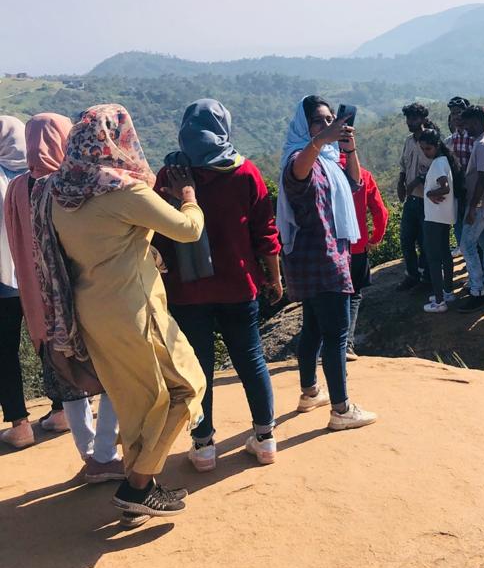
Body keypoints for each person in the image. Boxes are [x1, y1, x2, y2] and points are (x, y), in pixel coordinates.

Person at [41, 104, 206, 519]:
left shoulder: (60, 192)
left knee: (137, 400)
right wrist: (189, 198)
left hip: (93, 309)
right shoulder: (123, 190)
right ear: (119, 139)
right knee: (185, 388)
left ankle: (143, 487)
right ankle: (136, 488)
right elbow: (188, 231)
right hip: (133, 309)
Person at [153, 99, 282, 471]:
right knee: (251, 359)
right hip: (239, 288)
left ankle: (204, 444)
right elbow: (265, 233)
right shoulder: (246, 174)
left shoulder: (170, 176)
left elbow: (158, 236)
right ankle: (265, 436)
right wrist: (273, 277)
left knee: (199, 368)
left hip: (187, 292)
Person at [5, 112, 124, 480]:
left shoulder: (17, 188)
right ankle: (105, 452)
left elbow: (15, 247)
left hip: (40, 302)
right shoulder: (71, 184)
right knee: (111, 374)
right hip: (85, 296)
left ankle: (88, 452)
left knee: (68, 377)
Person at [278, 96, 377, 432]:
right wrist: (321, 140)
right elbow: (297, 174)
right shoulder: (299, 157)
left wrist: (348, 148)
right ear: (303, 127)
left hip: (319, 257)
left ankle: (310, 393)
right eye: (319, 120)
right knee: (335, 334)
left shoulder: (331, 159)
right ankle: (342, 409)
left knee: (314, 328)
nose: (329, 124)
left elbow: (354, 184)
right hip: (322, 258)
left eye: (332, 118)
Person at [0, 116, 36, 449]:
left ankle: (20, 423)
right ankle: (64, 409)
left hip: (3, 284)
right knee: (52, 344)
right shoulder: (40, 175)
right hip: (40, 278)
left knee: (5, 354)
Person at [457, 105, 484, 313]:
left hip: (481, 204)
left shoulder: (483, 144)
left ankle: (477, 291)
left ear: (476, 121)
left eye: (466, 124)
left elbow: (482, 177)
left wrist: (473, 207)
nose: (465, 128)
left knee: (467, 245)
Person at [342, 156, 388, 358]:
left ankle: (329, 344)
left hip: (331, 247)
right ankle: (346, 344)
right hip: (358, 246)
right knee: (353, 295)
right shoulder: (363, 176)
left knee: (333, 297)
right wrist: (375, 238)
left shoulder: (323, 173)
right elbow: (380, 212)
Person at [419, 128, 459, 313]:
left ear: (436, 146)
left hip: (434, 218)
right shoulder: (444, 161)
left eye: (428, 149)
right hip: (443, 217)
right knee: (444, 254)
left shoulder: (437, 163)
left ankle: (439, 301)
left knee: (433, 258)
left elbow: (444, 188)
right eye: (423, 149)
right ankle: (447, 292)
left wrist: (429, 193)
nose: (425, 152)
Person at [397, 103, 431, 290]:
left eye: (415, 118)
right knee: (406, 239)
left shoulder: (431, 141)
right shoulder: (409, 141)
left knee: (425, 242)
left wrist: (416, 180)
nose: (411, 122)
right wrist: (400, 182)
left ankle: (427, 278)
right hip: (411, 199)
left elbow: (437, 167)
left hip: (427, 200)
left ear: (424, 119)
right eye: (409, 118)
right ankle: (412, 274)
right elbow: (403, 165)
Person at [445, 97, 473, 249]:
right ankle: (463, 249)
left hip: (473, 189)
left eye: (459, 113)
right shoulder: (450, 140)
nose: (456, 117)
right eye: (453, 113)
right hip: (457, 188)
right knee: (458, 221)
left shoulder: (474, 137)